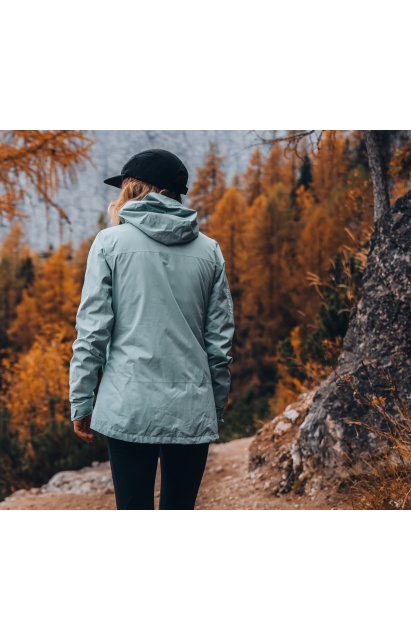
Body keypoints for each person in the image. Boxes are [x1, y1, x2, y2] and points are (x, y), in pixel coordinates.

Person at [69, 148, 235, 510]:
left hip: (128, 405)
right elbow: (219, 344)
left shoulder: (109, 244)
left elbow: (92, 333)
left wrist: (81, 400)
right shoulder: (210, 251)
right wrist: (214, 405)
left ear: (134, 189)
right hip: (191, 406)